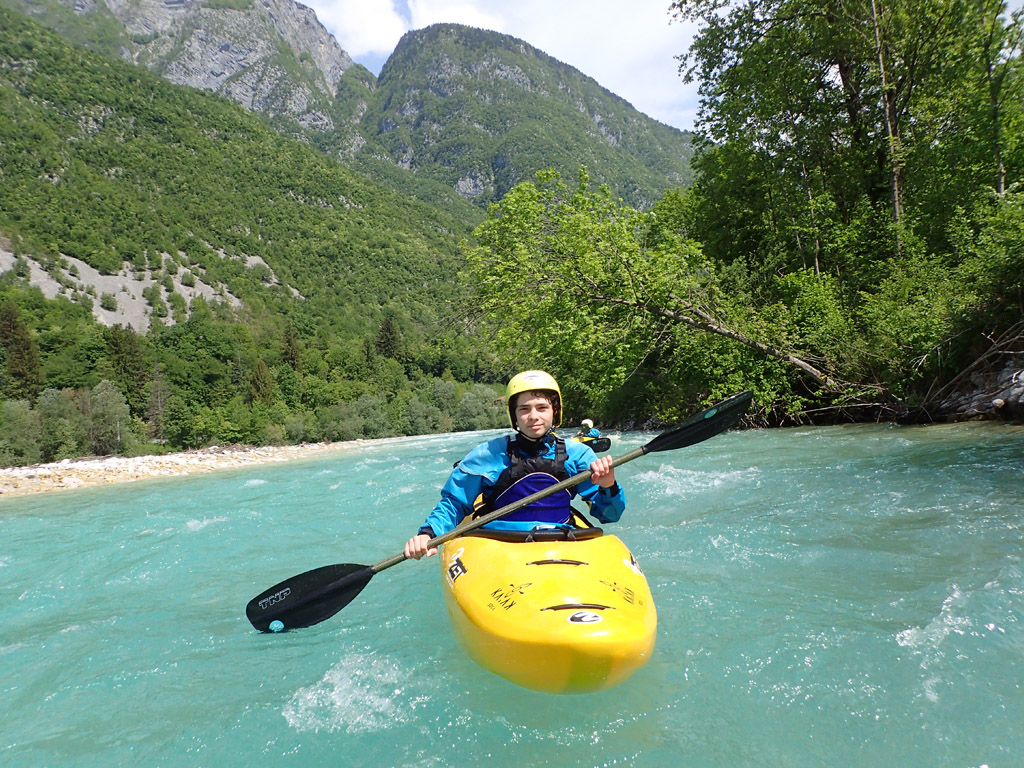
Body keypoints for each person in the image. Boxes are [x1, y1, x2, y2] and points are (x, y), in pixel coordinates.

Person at [404, 370, 625, 560]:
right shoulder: (487, 454)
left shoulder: (578, 455)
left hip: (560, 539)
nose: (533, 416)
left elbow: (610, 516)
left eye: (542, 408)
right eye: (524, 409)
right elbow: (454, 503)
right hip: (498, 541)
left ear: (555, 411)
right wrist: (428, 533)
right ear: (514, 416)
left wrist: (609, 486)